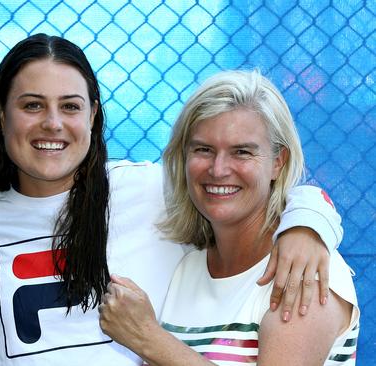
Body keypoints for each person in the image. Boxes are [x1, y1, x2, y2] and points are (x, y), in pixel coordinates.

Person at [0, 34, 344, 365]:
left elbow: (250, 188)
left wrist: (308, 223)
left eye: (70, 106)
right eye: (32, 105)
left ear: (92, 115)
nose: (53, 123)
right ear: (2, 115)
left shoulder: (152, 192)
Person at [98, 70, 359, 365]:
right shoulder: (186, 267)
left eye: (242, 152)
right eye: (203, 149)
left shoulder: (304, 271)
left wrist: (147, 337)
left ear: (278, 162)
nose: (218, 169)